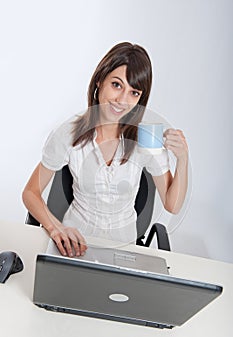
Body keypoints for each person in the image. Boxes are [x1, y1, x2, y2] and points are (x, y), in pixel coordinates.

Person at [22, 42, 188, 258]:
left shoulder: (147, 138)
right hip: (75, 246)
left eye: (134, 92)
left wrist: (182, 159)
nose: (122, 100)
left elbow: (172, 205)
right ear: (100, 80)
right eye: (117, 85)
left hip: (124, 251)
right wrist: (56, 228)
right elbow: (30, 192)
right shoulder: (69, 133)